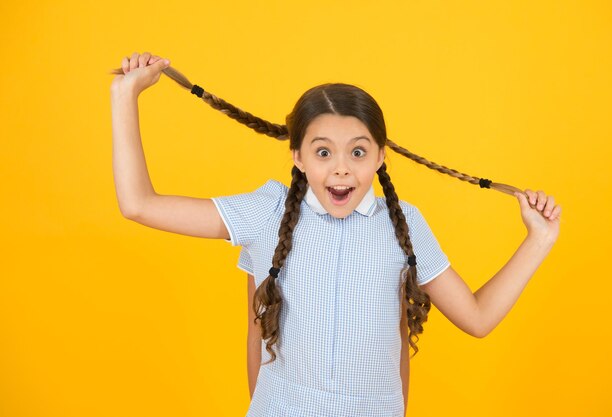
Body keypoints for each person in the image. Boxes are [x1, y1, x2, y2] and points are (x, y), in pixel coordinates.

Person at [110, 52, 562, 417]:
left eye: (358, 151)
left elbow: (477, 318)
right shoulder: (265, 212)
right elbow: (139, 204)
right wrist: (124, 95)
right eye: (323, 151)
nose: (342, 167)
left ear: (381, 157)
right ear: (298, 157)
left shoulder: (404, 224)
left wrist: (538, 240)